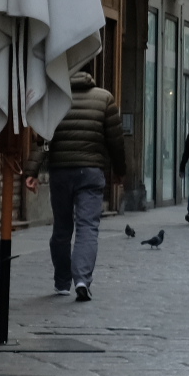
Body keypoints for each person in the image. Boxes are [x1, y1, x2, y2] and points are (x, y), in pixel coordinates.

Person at [45, 71, 129, 301]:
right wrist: (119, 171)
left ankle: (62, 282)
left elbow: (43, 137)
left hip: (60, 171)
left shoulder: (56, 98)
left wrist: (32, 170)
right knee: (87, 227)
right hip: (90, 172)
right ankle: (81, 279)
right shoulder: (105, 98)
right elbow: (115, 140)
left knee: (62, 228)